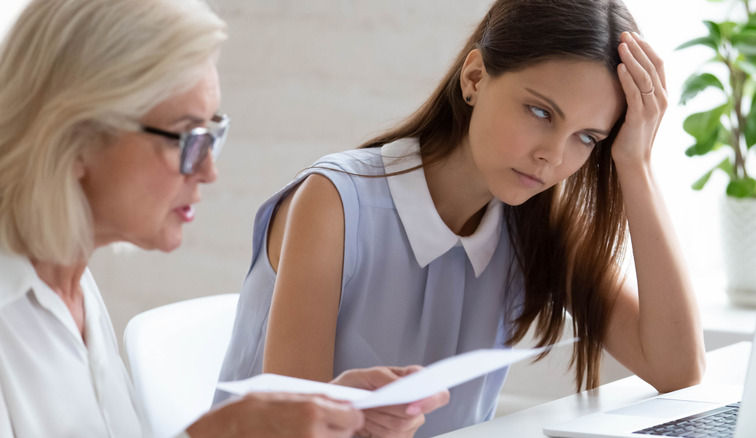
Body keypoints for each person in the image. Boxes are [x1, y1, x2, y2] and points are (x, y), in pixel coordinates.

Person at [217, 0, 708, 436]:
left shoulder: (536, 223)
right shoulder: (334, 203)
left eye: (587, 137)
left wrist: (636, 164)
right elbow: (288, 428)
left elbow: (677, 370)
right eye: (540, 112)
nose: (552, 157)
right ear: (474, 78)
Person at [0, 0, 448, 437]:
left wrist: (325, 422)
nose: (209, 171)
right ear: (76, 137)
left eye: (214, 135)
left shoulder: (73, 289)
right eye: (189, 137)